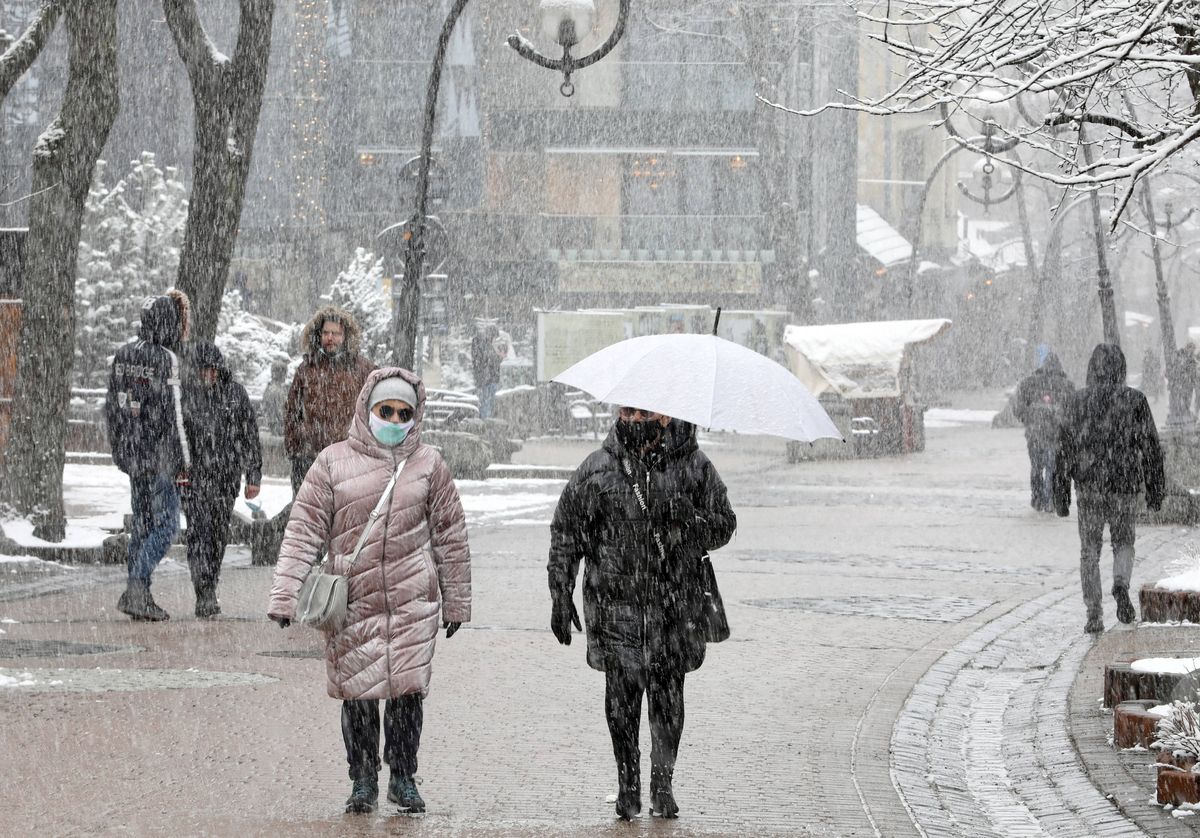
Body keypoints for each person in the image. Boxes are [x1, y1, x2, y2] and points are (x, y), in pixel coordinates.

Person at [268, 369, 471, 815]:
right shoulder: (332, 462)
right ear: (368, 409)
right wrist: (285, 594)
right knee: (358, 696)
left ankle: (402, 776)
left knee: (407, 692)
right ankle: (362, 780)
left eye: (404, 412)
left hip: (411, 599)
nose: (395, 419)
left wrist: (455, 599)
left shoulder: (429, 465)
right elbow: (304, 531)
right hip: (354, 600)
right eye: (386, 410)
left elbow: (450, 535)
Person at [548, 407, 737, 820]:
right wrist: (559, 593)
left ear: (666, 417)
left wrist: (690, 520)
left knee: (668, 707)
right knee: (622, 706)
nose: (634, 419)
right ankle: (627, 784)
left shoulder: (695, 466)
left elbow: (724, 524)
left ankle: (662, 783)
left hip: (673, 609)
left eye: (644, 412)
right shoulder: (598, 468)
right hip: (616, 611)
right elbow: (566, 530)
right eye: (627, 411)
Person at [1054, 343, 1165, 634]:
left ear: (1092, 369)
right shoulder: (1135, 400)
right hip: (1125, 485)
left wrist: (1061, 493)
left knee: (1089, 551)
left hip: (1090, 485)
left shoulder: (1076, 402)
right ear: (1122, 369)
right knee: (1124, 542)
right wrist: (1155, 489)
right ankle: (1120, 583)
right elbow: (1151, 448)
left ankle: (1093, 614)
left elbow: (1063, 450)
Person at [104, 293, 191, 622]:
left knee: (141, 525)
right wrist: (183, 459)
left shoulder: (124, 354)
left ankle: (138, 592)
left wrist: (119, 449)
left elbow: (112, 407)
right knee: (167, 526)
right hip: (160, 457)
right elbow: (175, 414)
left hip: (132, 454)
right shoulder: (166, 359)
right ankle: (138, 587)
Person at [181, 341, 262, 619]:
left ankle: (209, 583)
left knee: (216, 536)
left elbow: (249, 436)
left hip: (225, 479)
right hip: (195, 478)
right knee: (198, 534)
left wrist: (253, 475)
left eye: (212, 370)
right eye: (203, 370)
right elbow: (177, 437)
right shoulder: (187, 396)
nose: (208, 375)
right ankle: (203, 591)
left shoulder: (235, 395)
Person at [283, 306, 375, 494]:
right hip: (309, 459)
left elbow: (377, 408)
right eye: (326, 333)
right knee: (308, 516)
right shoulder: (306, 369)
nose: (330, 338)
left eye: (336, 333)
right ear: (319, 335)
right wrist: (296, 449)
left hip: (350, 460)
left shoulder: (363, 370)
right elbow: (292, 411)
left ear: (346, 336)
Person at [1013, 352, 1075, 512]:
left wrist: (1028, 418)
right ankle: (1049, 501)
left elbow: (1017, 407)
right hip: (1055, 434)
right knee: (1051, 467)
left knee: (1036, 467)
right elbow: (1073, 411)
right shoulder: (1066, 385)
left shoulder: (1029, 383)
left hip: (1034, 434)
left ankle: (1037, 499)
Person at [470, 322, 506, 419]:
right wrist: (499, 357)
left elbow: (483, 360)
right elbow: (488, 360)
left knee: (485, 403)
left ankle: (485, 421)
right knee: (487, 404)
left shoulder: (481, 342)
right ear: (491, 334)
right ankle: (485, 423)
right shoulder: (483, 343)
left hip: (485, 379)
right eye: (494, 337)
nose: (494, 339)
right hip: (488, 379)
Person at [259, 359, 289, 436]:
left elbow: (264, 408)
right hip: (278, 427)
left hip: (271, 426)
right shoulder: (281, 390)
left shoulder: (269, 389)